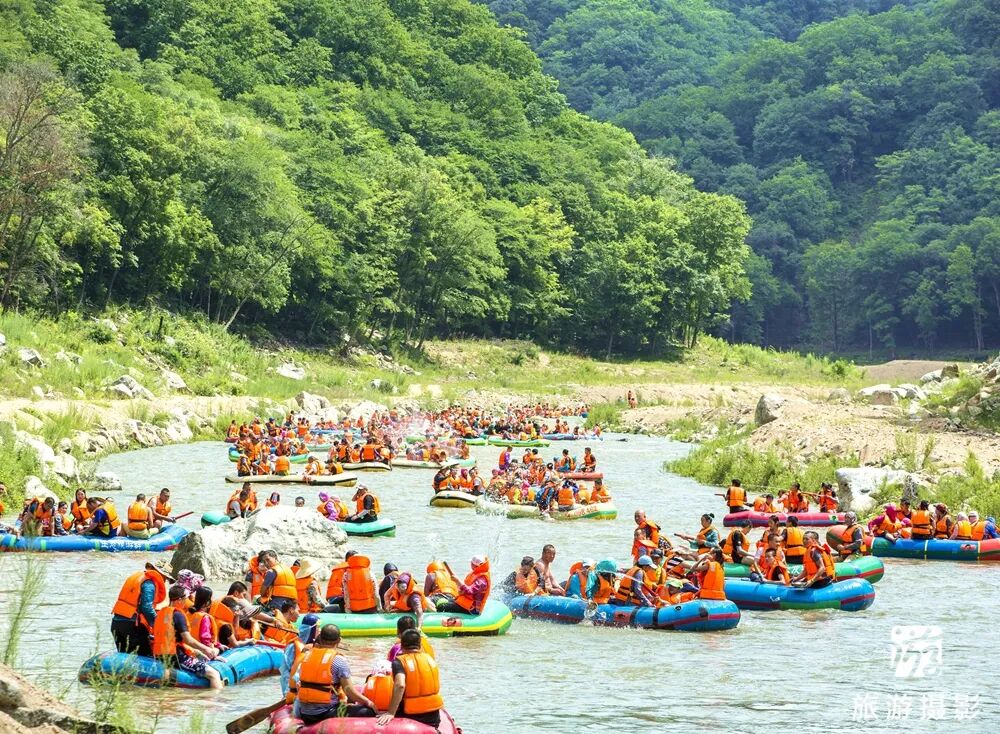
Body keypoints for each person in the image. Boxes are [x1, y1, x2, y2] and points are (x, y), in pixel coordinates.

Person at [295, 624, 376, 723]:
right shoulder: (339, 660)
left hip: (305, 713)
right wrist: (368, 702)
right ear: (339, 640)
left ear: (320, 638)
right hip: (325, 713)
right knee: (368, 711)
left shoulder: (307, 656)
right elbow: (349, 692)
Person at [151, 585, 222, 690]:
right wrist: (207, 649)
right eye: (185, 599)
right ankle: (214, 704)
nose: (186, 601)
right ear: (179, 600)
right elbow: (188, 640)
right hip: (177, 657)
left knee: (201, 658)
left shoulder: (160, 613)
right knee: (214, 674)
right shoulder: (177, 615)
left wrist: (199, 653)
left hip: (159, 655)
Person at [376, 629, 444, 728]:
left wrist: (390, 713)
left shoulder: (399, 662)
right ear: (420, 645)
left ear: (402, 645)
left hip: (411, 716)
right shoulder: (430, 660)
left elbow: (400, 685)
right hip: (433, 717)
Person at [111, 562, 173, 657]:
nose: (164, 581)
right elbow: (146, 607)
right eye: (165, 578)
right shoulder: (149, 583)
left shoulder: (137, 577)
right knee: (143, 656)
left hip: (116, 623)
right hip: (132, 626)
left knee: (124, 656)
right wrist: (158, 625)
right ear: (160, 573)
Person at [281, 613, 320, 703]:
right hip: (293, 690)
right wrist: (288, 693)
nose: (320, 631)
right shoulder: (293, 647)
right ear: (311, 630)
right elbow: (286, 673)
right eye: (318, 628)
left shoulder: (315, 646)